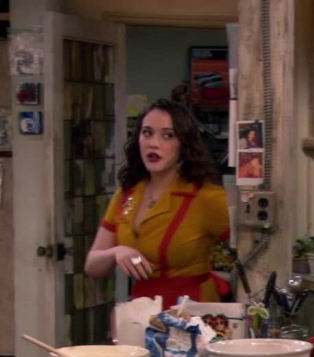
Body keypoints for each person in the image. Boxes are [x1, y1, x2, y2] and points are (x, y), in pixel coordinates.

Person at [85, 98, 231, 310]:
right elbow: (92, 265)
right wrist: (117, 252)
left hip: (192, 314)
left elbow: (250, 249)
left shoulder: (205, 196)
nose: (154, 143)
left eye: (167, 135)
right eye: (147, 133)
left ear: (183, 144)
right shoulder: (127, 193)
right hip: (142, 311)